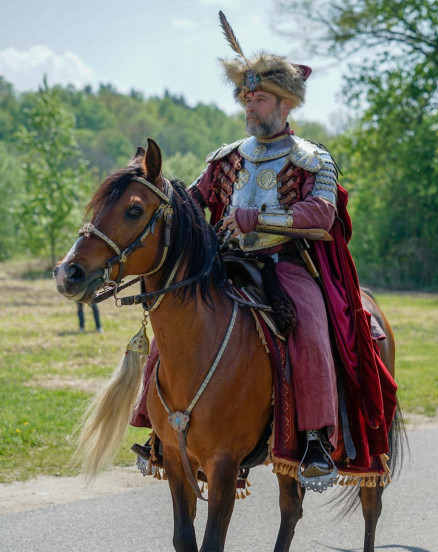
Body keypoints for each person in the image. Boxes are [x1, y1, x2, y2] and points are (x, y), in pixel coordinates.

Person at [131, 14, 397, 489]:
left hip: (288, 265)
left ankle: (315, 440)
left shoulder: (312, 158)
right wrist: (158, 198)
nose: (250, 107)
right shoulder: (226, 156)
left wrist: (261, 218)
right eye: (246, 99)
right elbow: (194, 203)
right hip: (227, 262)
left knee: (310, 328)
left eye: (259, 99)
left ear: (285, 103)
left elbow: (322, 215)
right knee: (173, 320)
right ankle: (159, 430)